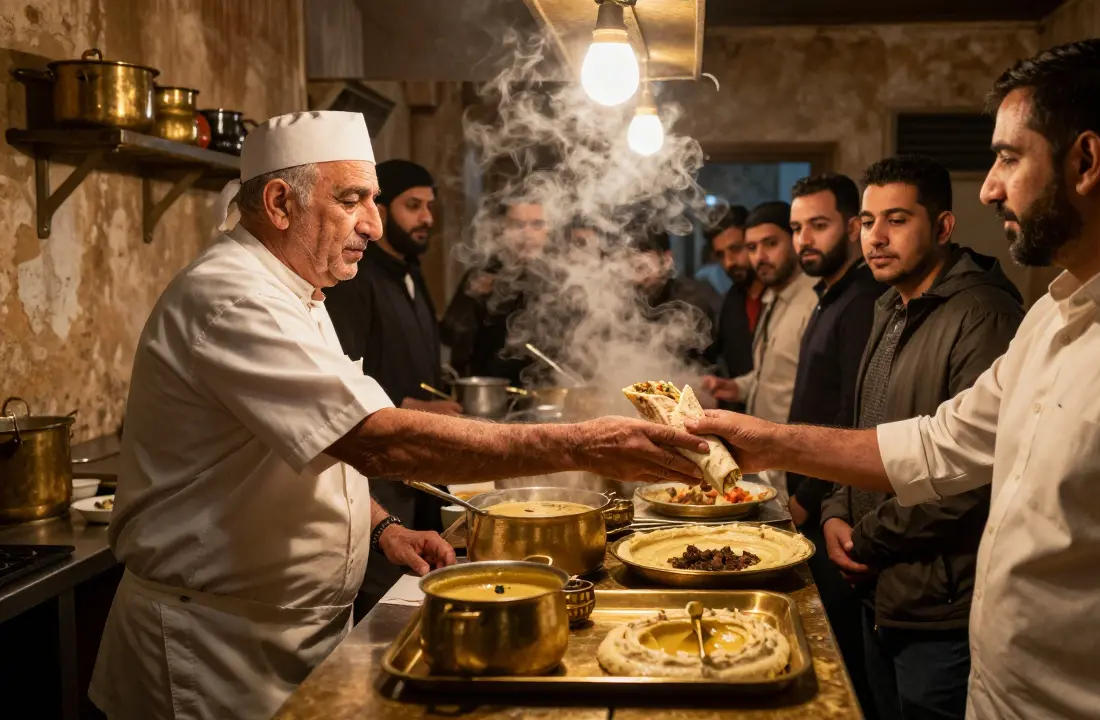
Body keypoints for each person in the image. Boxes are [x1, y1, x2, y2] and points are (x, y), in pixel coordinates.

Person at [688, 38, 1100, 719]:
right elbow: (938, 445)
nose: (990, 186)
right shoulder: (1055, 313)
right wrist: (761, 442)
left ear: (1085, 161)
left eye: (1007, 157)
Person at [89, 111, 707, 720]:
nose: (374, 223)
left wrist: (381, 528)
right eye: (353, 199)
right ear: (280, 203)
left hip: (287, 633)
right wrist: (581, 446)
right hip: (213, 648)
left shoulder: (298, 291)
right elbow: (375, 442)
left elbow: (317, 445)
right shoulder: (231, 298)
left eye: (376, 199)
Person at [823, 155, 1024, 720]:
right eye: (866, 221)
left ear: (942, 227)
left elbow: (974, 477)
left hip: (939, 607)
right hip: (880, 590)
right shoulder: (890, 304)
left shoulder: (984, 315)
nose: (876, 238)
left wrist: (865, 539)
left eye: (897, 220)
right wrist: (836, 509)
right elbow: (865, 429)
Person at [324, 159, 464, 622]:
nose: (426, 217)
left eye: (430, 207)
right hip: (376, 470)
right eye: (412, 206)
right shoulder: (355, 278)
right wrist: (412, 404)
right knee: (382, 602)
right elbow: (344, 379)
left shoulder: (409, 270)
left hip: (411, 462)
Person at [784, 172, 886, 710]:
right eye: (797, 227)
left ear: (851, 228)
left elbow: (853, 417)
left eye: (818, 226)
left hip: (833, 508)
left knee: (844, 663)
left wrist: (806, 498)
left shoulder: (863, 300)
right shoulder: (829, 296)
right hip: (816, 500)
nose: (804, 239)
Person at [701, 201, 815, 427]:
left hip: (797, 446)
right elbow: (772, 377)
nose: (760, 257)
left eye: (770, 244)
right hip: (765, 444)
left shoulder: (815, 299)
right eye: (752, 248)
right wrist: (736, 388)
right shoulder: (763, 298)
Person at [441, 201, 550, 385]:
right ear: (502, 229)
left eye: (537, 224)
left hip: (551, 393)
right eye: (517, 225)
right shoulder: (484, 273)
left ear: (549, 230)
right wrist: (472, 299)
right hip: (491, 394)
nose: (527, 234)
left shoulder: (560, 278)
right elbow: (450, 336)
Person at [630, 228, 721, 367]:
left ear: (667, 261)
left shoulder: (695, 298)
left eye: (643, 268)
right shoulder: (628, 299)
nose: (637, 279)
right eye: (630, 268)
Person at [706, 205, 757, 409]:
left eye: (736, 249)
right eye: (720, 255)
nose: (729, 262)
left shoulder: (781, 298)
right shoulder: (732, 300)